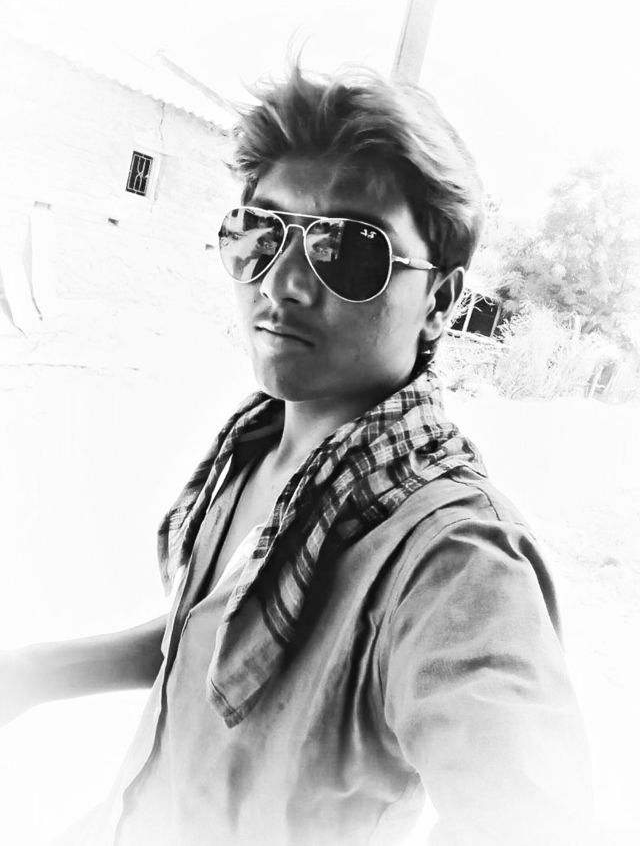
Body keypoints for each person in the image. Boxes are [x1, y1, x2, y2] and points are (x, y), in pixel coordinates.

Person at [1, 64, 595, 846]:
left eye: (347, 251)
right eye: (261, 233)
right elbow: (210, 633)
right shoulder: (255, 447)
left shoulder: (453, 558)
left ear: (441, 302)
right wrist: (34, 672)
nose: (282, 281)